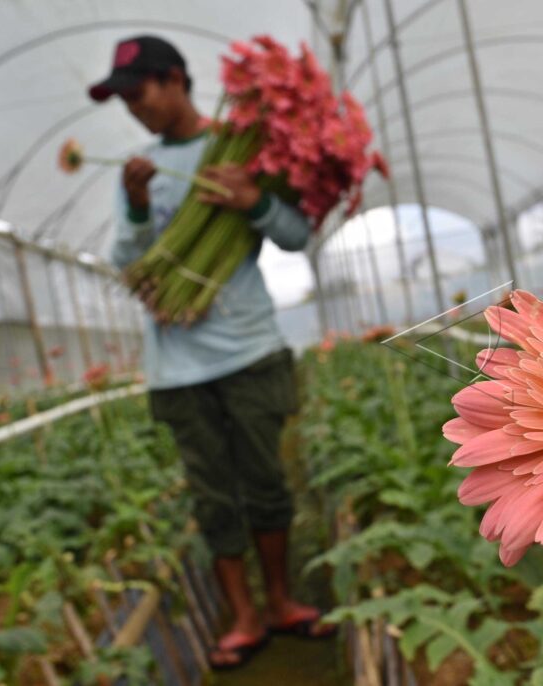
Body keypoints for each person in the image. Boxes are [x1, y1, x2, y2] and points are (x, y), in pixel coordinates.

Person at [89, 34, 330, 670]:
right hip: (178, 366)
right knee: (212, 497)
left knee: (267, 485)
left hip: (249, 352)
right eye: (122, 99)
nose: (132, 108)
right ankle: (243, 615)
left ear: (174, 81)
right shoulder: (138, 170)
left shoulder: (245, 148)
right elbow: (125, 261)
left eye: (138, 92)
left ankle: (279, 601)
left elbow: (298, 233)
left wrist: (254, 202)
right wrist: (139, 209)